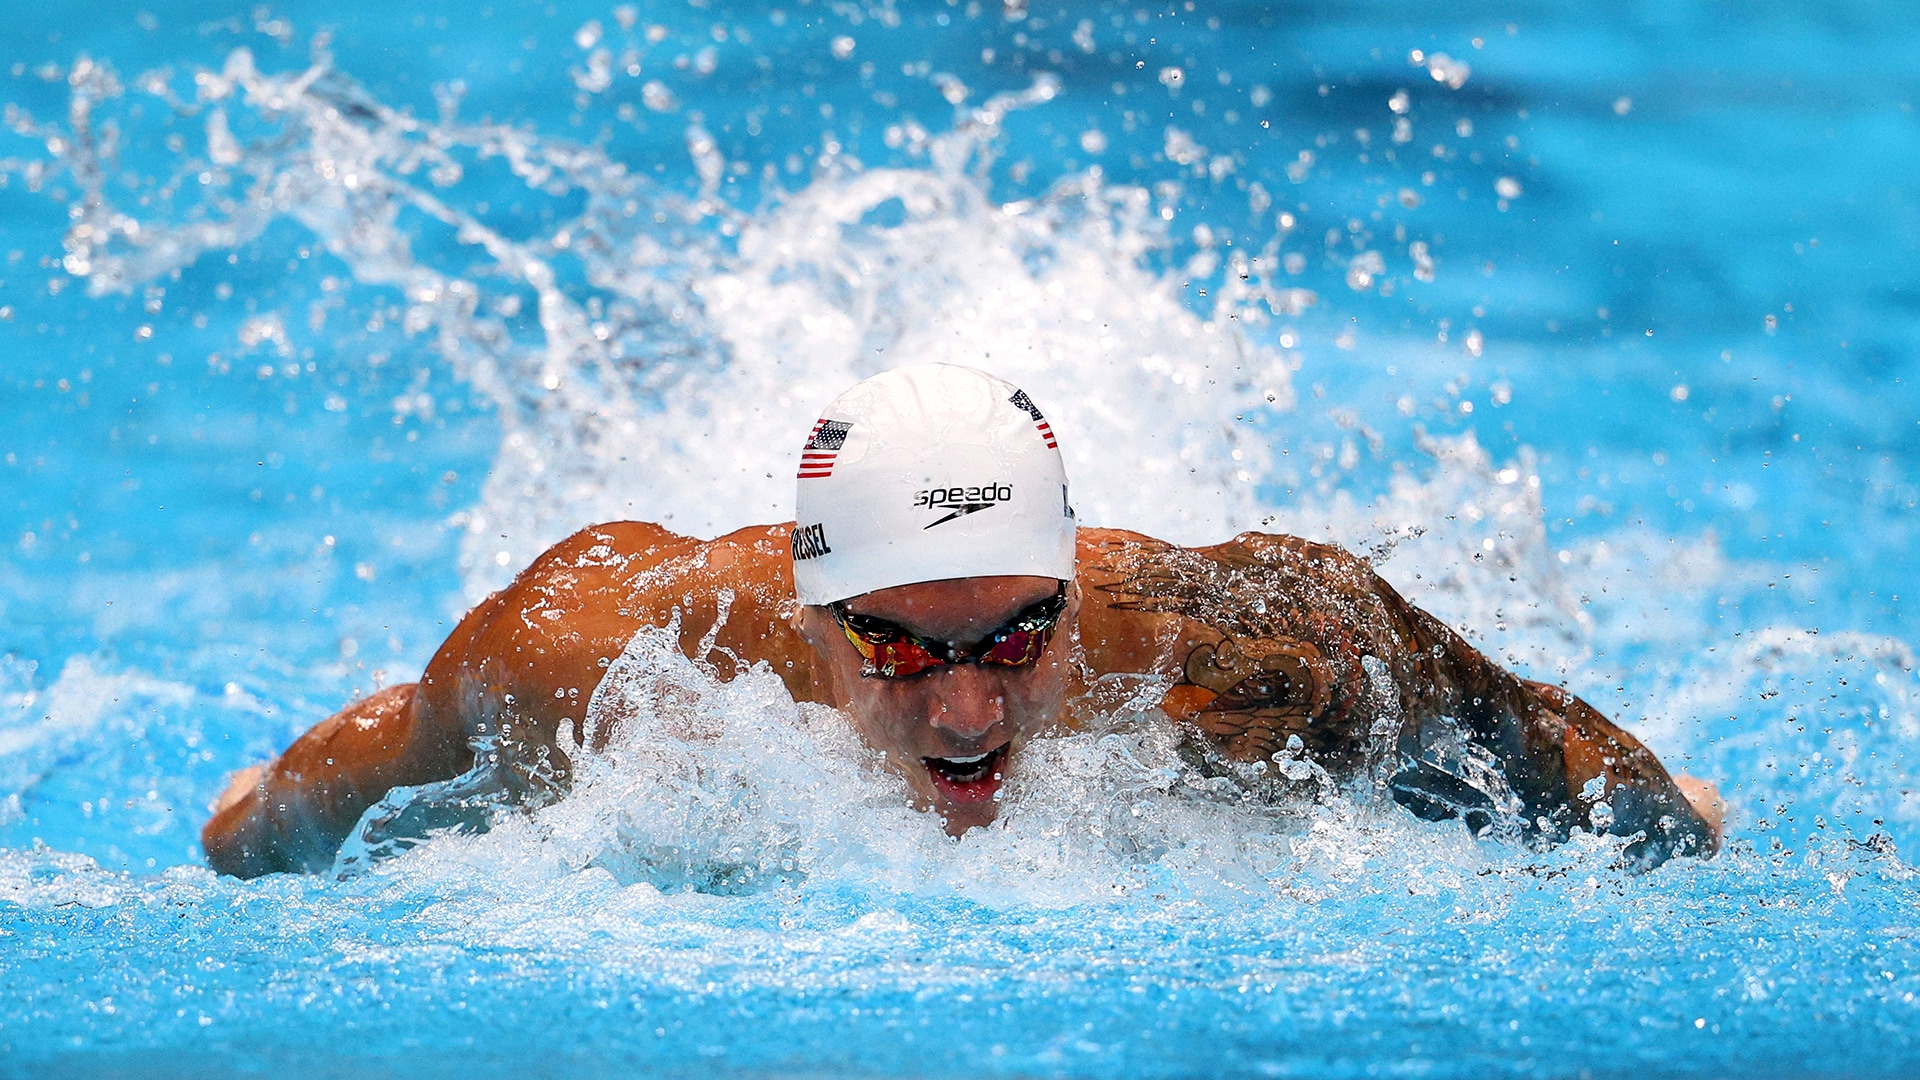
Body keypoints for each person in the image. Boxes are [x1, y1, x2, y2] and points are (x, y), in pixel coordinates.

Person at [202, 364, 1724, 878]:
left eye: (1014, 639)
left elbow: (1510, 720)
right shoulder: (595, 656)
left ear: (1075, 594)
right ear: (806, 616)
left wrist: (1674, 821)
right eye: (894, 648)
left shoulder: (1212, 639)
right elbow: (385, 756)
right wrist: (257, 824)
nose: (966, 712)